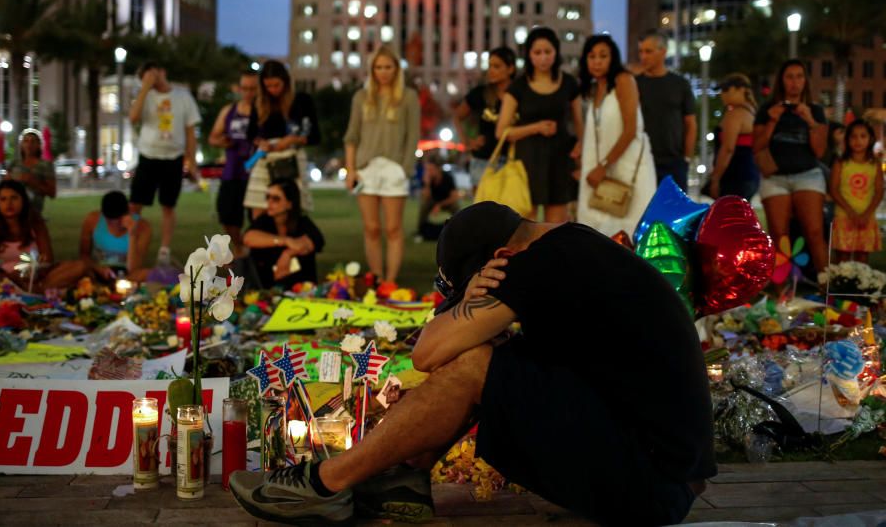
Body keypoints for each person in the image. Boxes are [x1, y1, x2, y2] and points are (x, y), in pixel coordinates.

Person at [229, 202, 715, 526]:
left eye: (476, 284)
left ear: (503, 256)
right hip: (663, 472)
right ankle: (406, 477)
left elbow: (427, 354)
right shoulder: (574, 249)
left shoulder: (539, 262)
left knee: (476, 363)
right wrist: (471, 312)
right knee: (501, 356)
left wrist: (470, 309)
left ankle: (323, 485)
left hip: (652, 485)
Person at [344, 45, 420, 283]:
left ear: (396, 69)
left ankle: (390, 281)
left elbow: (413, 135)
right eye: (378, 67)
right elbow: (352, 136)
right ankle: (376, 278)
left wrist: (405, 168)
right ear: (372, 69)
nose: (383, 72)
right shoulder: (361, 97)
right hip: (366, 168)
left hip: (394, 168)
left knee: (394, 229)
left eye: (388, 67)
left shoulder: (408, 97)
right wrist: (351, 170)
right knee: (372, 228)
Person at [495, 28, 583, 222]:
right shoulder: (518, 86)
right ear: (529, 55)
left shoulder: (569, 84)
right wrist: (536, 127)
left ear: (556, 52)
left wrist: (580, 148)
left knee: (557, 228)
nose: (543, 58)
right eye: (537, 53)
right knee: (527, 225)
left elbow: (580, 125)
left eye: (548, 52)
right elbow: (501, 132)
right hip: (527, 161)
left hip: (560, 159)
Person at [753, 59, 829, 272]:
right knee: (779, 234)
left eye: (799, 76)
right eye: (789, 77)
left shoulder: (815, 110)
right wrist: (771, 122)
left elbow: (820, 151)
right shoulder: (768, 109)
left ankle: (826, 287)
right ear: (782, 81)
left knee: (814, 232)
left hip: (808, 175)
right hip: (775, 177)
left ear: (805, 81)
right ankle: (782, 292)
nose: (794, 82)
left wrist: (811, 121)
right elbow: (756, 146)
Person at [576, 35, 656, 237]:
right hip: (599, 170)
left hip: (625, 169)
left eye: (603, 56)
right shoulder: (594, 88)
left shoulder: (624, 80)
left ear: (613, 58)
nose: (597, 61)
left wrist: (604, 165)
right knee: (595, 231)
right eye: (592, 56)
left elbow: (631, 130)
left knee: (630, 229)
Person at [128, 60, 201, 266]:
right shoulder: (146, 96)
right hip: (148, 155)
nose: (151, 79)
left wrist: (192, 161)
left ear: (162, 71)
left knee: (168, 205)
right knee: (135, 203)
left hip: (173, 157)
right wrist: (144, 88)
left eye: (152, 74)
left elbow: (190, 132)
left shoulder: (183, 97)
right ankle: (130, 244)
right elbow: (133, 117)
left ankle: (164, 250)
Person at [0, 180, 82, 290]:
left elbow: (47, 259)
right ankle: (37, 291)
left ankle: (36, 289)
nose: (9, 204)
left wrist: (27, 274)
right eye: (3, 199)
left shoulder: (35, 221)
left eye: (14, 198)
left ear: (23, 200)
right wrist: (8, 277)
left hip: (33, 276)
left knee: (79, 266)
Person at [243, 60, 321, 216]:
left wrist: (292, 139)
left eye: (276, 85)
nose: (272, 90)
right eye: (268, 86)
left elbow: (315, 136)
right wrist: (261, 142)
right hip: (266, 158)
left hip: (291, 159)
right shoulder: (259, 103)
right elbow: (251, 134)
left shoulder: (302, 100)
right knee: (258, 208)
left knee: (290, 209)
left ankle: (288, 239)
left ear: (285, 81)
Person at [635, 31, 697, 190]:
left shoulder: (680, 84)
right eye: (641, 51)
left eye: (648, 51)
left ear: (663, 51)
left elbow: (690, 123)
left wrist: (686, 158)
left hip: (673, 162)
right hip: (642, 160)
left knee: (675, 212)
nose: (643, 56)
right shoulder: (634, 84)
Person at [208, 69, 259, 258]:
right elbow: (213, 137)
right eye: (244, 88)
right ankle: (239, 248)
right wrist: (224, 141)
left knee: (257, 217)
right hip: (233, 171)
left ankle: (254, 251)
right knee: (228, 215)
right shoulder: (229, 111)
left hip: (256, 173)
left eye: (253, 89)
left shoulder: (263, 111)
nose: (248, 93)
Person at [453, 46, 516, 190]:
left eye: (497, 66)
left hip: (513, 160)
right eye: (490, 66)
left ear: (510, 69)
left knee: (510, 209)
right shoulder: (481, 93)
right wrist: (467, 141)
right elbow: (457, 116)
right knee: (482, 209)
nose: (491, 70)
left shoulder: (520, 94)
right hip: (483, 159)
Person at [243, 179, 324, 289]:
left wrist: (287, 254)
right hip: (267, 289)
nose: (269, 202)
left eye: (276, 199)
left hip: (302, 288)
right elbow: (248, 238)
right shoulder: (264, 220)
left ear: (290, 204)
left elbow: (313, 242)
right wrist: (285, 241)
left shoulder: (301, 222)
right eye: (268, 197)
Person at [830, 119, 883, 262]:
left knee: (862, 255)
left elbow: (879, 191)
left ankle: (860, 283)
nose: (858, 140)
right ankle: (842, 283)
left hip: (867, 217)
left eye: (863, 136)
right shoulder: (841, 163)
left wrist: (866, 214)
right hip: (844, 215)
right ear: (847, 139)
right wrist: (850, 212)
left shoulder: (875, 164)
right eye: (853, 136)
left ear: (870, 139)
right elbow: (834, 190)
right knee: (843, 255)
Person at [78, 190, 152, 283]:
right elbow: (84, 255)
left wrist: (132, 235)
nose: (114, 225)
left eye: (118, 220)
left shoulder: (142, 227)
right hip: (98, 271)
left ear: (127, 212)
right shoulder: (92, 220)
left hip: (128, 275)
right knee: (79, 269)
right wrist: (98, 268)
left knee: (149, 274)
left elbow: (134, 268)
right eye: (109, 221)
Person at [708, 74, 760, 200]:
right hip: (750, 174)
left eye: (726, 90)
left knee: (730, 217)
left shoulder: (735, 114)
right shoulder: (752, 112)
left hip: (734, 176)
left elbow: (728, 148)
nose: (722, 94)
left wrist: (715, 178)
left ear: (741, 89)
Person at [5, 128, 56, 215]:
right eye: (26, 141)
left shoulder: (45, 165)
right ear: (21, 145)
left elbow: (52, 193)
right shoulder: (14, 164)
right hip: (13, 211)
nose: (29, 144)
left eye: (33, 141)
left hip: (34, 212)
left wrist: (33, 182)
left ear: (39, 145)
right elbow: (4, 186)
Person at [416, 157, 460, 239]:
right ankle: (421, 231)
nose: (429, 172)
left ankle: (458, 229)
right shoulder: (427, 179)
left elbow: (454, 197)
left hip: (446, 201)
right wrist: (427, 184)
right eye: (427, 170)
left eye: (431, 169)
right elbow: (425, 197)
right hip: (432, 201)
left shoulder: (448, 178)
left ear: (438, 169)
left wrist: (439, 205)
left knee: (456, 208)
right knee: (424, 205)